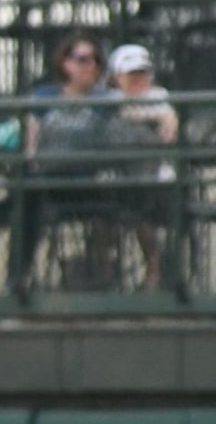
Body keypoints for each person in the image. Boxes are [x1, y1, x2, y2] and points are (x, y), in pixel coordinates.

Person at [23, 33, 121, 290]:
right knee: (25, 199)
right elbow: (31, 141)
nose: (91, 66)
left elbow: (135, 110)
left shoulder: (106, 100)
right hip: (51, 179)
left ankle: (104, 272)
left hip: (90, 179)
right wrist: (33, 159)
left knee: (113, 202)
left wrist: (167, 117)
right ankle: (20, 275)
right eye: (83, 59)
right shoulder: (43, 97)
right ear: (66, 63)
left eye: (95, 60)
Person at [105, 43, 179, 291]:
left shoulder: (159, 96)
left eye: (142, 73)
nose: (138, 80)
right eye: (131, 74)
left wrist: (161, 119)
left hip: (154, 179)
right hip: (116, 178)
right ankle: (104, 273)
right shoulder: (107, 99)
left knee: (142, 211)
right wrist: (150, 118)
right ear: (116, 77)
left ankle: (154, 270)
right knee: (101, 213)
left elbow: (169, 132)